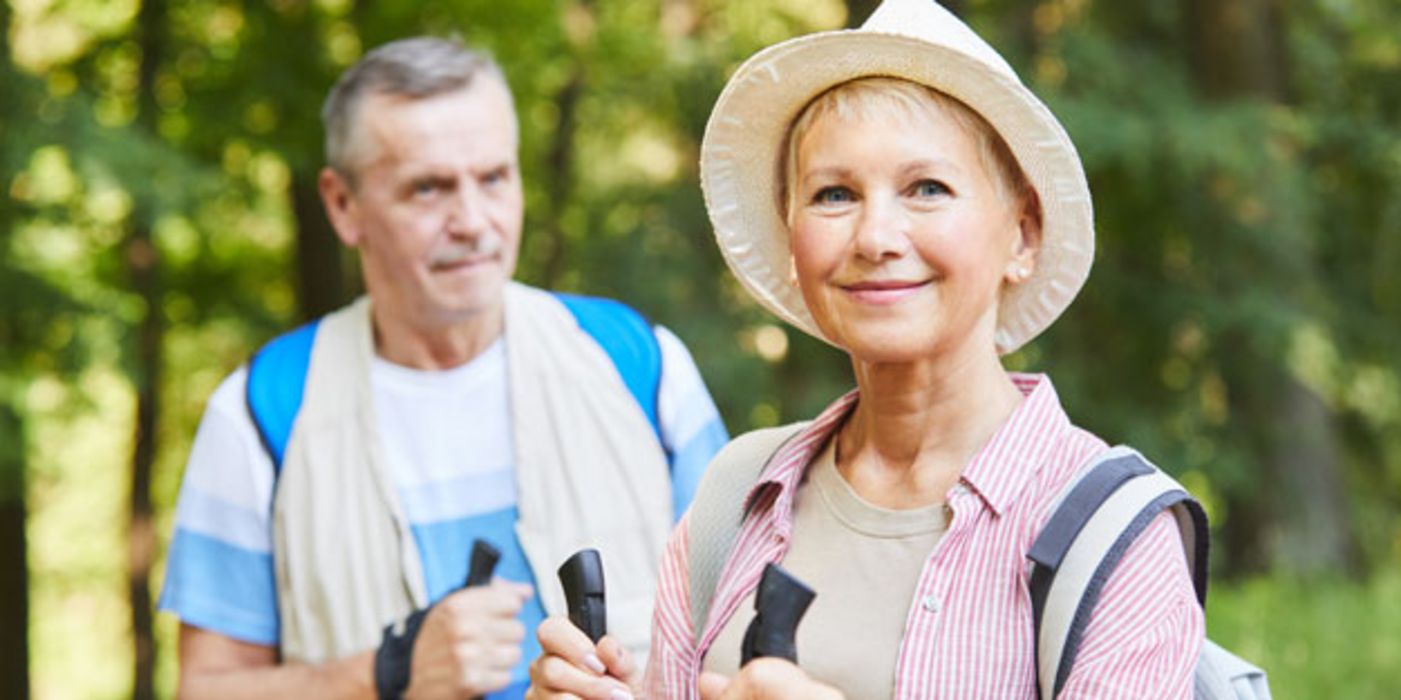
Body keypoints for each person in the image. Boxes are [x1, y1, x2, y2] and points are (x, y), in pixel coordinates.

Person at [527, 1, 1204, 698]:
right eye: (833, 194)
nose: (874, 237)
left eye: (927, 188)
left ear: (1022, 236)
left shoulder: (1112, 536)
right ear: (790, 241)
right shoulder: (733, 501)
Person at [158, 36, 729, 699]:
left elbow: (737, 631)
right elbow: (207, 689)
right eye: (427, 188)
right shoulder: (261, 411)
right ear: (343, 205)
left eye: (493, 178)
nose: (471, 220)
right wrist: (385, 675)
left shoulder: (640, 362)